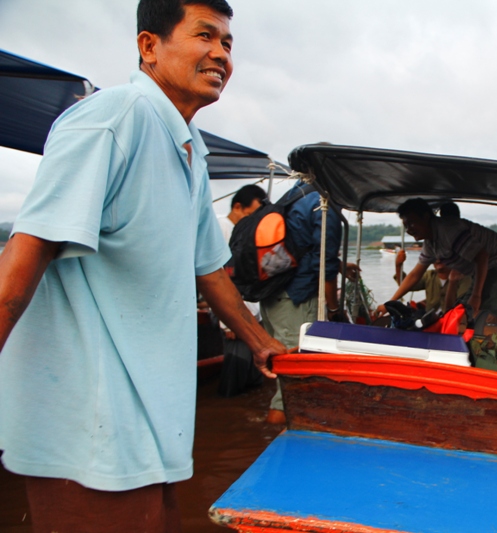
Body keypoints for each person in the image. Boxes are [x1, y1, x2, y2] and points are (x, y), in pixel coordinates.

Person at [0, 1, 286, 531]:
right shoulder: (114, 118)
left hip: (152, 415)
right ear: (148, 46)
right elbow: (26, 252)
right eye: (205, 35)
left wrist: (259, 340)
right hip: (87, 420)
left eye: (227, 43)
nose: (220, 53)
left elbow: (209, 269)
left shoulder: (190, 149)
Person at [260, 181, 342, 424]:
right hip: (296, 298)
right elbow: (324, 265)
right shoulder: (323, 204)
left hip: (272, 295)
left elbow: (302, 248)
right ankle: (279, 443)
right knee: (295, 376)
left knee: (283, 367)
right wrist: (334, 308)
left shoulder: (292, 196)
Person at [378, 198, 497, 317]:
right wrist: (390, 303)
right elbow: (415, 274)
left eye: (412, 223)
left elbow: (482, 256)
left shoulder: (448, 231)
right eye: (406, 225)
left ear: (426, 216)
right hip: (481, 269)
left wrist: (476, 296)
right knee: (465, 311)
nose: (409, 229)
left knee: (490, 313)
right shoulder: (430, 243)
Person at [216, 184, 268, 397]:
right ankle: (228, 411)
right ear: (238, 206)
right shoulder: (222, 229)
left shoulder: (243, 232)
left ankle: (246, 408)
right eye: (252, 213)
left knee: (253, 368)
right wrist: (226, 322)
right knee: (235, 368)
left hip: (250, 308)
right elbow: (220, 277)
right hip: (233, 310)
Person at [393, 248, 471, 313]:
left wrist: (452, 282)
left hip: (452, 320)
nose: (438, 260)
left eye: (442, 257)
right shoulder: (429, 275)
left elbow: (460, 305)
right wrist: (398, 266)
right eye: (434, 257)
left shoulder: (463, 277)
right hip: (430, 322)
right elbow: (406, 285)